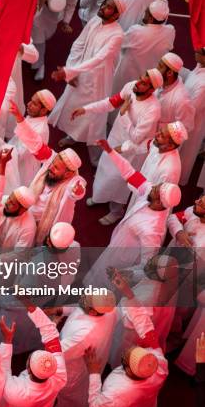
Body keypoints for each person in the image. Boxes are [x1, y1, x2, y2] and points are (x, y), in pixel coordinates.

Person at [85, 139, 181, 287]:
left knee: (104, 290)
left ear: (159, 201)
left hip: (123, 263)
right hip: (117, 245)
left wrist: (127, 274)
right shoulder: (149, 192)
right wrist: (111, 151)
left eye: (156, 190)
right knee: (98, 275)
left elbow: (147, 265)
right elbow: (130, 173)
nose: (152, 187)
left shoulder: (153, 231)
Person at [73, 68, 162, 224]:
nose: (138, 83)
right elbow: (110, 102)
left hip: (131, 150)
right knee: (104, 170)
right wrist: (86, 109)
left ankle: (116, 211)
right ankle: (99, 196)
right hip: (114, 139)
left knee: (119, 182)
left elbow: (136, 137)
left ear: (152, 89)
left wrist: (124, 113)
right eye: (140, 78)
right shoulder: (131, 86)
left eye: (143, 83)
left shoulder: (153, 110)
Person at [85, 271, 169, 407]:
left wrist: (94, 374)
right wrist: (129, 294)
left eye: (127, 355)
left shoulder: (118, 393)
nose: (128, 350)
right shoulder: (159, 363)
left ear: (129, 370)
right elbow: (147, 329)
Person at [49, 0, 124, 163]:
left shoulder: (117, 35)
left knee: (94, 117)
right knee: (72, 107)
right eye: (104, 4)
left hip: (98, 80)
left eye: (108, 7)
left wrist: (70, 71)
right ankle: (73, 136)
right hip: (80, 72)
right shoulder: (95, 20)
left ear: (117, 14)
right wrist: (72, 69)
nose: (103, 7)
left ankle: (96, 157)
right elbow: (78, 44)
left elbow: (100, 58)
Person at [12, 117, 86, 244]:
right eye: (52, 164)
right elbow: (35, 143)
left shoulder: (71, 184)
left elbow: (77, 189)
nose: (50, 167)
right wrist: (20, 120)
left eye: (56, 168)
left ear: (68, 173)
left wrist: (78, 191)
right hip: (27, 211)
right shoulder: (52, 159)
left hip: (43, 223)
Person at [0, 303, 67, 407]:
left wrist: (8, 340)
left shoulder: (16, 393)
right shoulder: (59, 377)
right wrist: (33, 309)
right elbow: (51, 337)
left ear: (28, 369)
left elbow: (3, 372)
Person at [54, 294, 118, 407]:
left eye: (86, 300)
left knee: (69, 396)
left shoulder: (86, 333)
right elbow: (79, 308)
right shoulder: (109, 309)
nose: (82, 299)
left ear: (93, 311)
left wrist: (52, 324)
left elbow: (56, 352)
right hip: (86, 360)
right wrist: (62, 309)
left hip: (72, 368)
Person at [111, 0, 175, 97]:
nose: (144, 13)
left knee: (118, 99)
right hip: (148, 80)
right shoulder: (170, 31)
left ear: (151, 19)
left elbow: (118, 43)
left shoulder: (136, 31)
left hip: (127, 76)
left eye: (146, 12)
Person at [126, 121, 186, 211]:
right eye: (159, 131)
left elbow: (160, 202)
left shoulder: (170, 170)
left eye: (161, 135)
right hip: (139, 193)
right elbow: (147, 145)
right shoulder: (159, 145)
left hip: (147, 208)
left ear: (170, 145)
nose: (156, 134)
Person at [155, 53, 196, 181]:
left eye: (160, 66)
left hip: (162, 142)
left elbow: (186, 126)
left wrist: (164, 138)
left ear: (169, 73)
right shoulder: (161, 81)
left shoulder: (181, 99)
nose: (156, 69)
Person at [7, 90, 56, 186]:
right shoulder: (33, 116)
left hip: (23, 166)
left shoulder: (40, 130)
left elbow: (20, 154)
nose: (28, 104)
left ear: (43, 110)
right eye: (31, 100)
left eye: (34, 104)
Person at [31, 0, 77, 80]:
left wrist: (66, 22)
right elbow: (34, 3)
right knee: (38, 40)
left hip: (55, 17)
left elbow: (71, 4)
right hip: (39, 11)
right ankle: (39, 65)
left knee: (47, 34)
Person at [178, 47, 205, 185]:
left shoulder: (203, 85)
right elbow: (191, 77)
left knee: (185, 154)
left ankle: (178, 180)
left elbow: (193, 108)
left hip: (192, 122)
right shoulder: (200, 66)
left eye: (200, 52)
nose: (196, 52)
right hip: (183, 117)